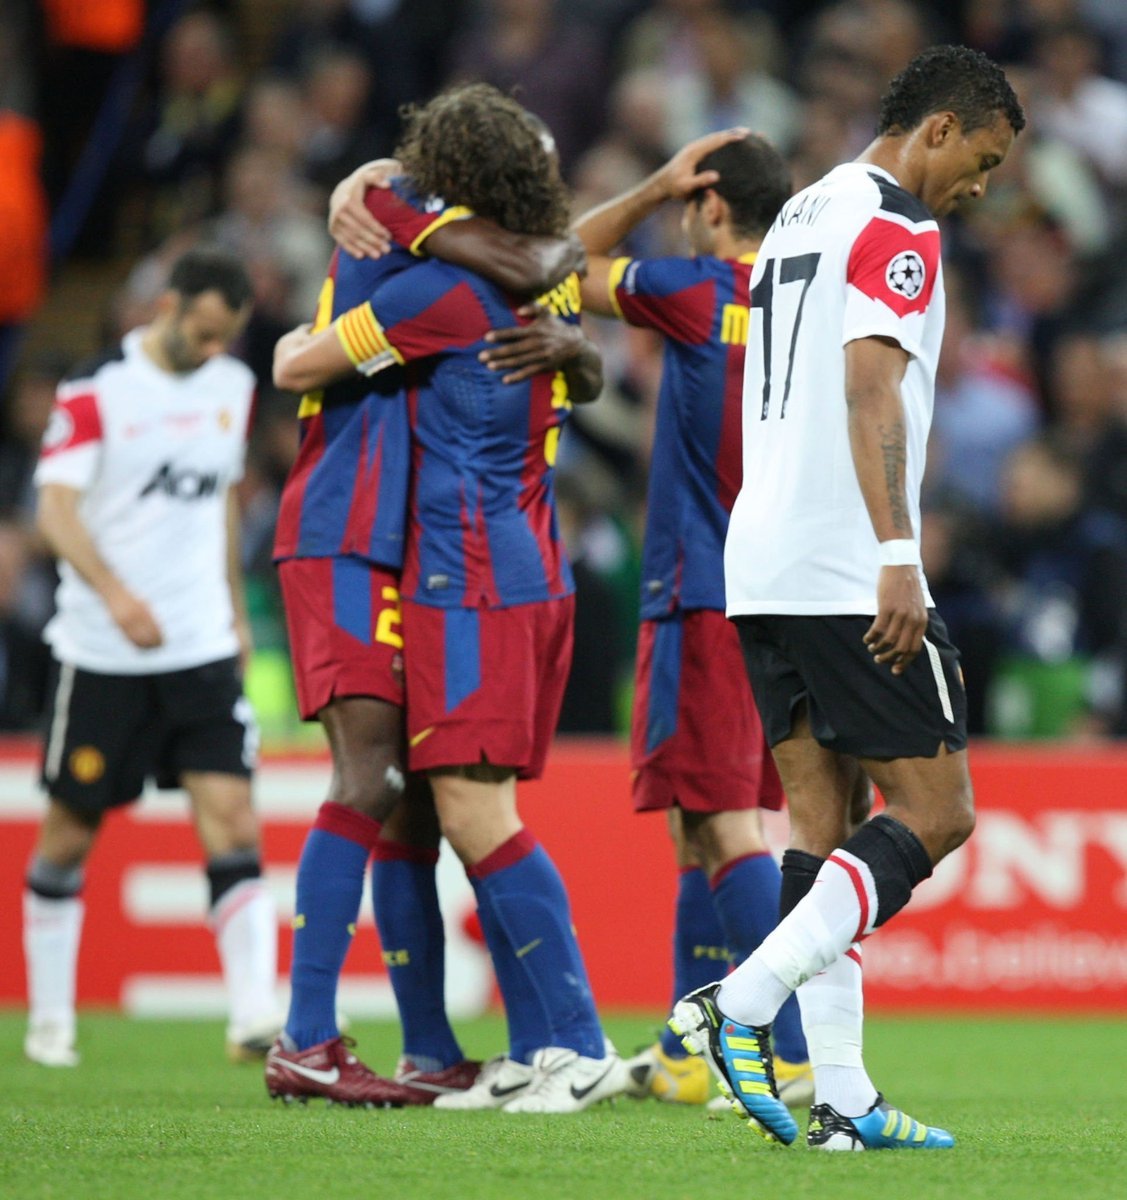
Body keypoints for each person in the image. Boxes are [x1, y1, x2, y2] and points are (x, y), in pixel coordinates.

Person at [668, 45, 1024, 1150]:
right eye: (981, 159)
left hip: (759, 557)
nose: (979, 186)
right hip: (842, 560)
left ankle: (842, 1098)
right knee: (937, 811)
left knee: (821, 830)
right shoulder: (895, 225)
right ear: (938, 128)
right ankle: (737, 1004)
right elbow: (870, 385)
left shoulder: (800, 211)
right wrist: (898, 552)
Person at [271, 85, 625, 1114]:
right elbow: (564, 288)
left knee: (442, 801)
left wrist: (311, 315)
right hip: (457, 555)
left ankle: (559, 1045)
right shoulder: (526, 285)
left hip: (459, 569)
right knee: (405, 794)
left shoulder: (434, 283)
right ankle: (460, 1047)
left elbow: (298, 360)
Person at [564, 129, 815, 1108]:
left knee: (721, 823)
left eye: (686, 202)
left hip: (697, 586)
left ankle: (788, 1049)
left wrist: (648, 187)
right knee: (697, 824)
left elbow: (554, 267)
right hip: (773, 596)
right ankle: (682, 1048)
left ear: (709, 205)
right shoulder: (804, 304)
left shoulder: (699, 289)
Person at [23, 247, 279, 1067]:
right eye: (202, 333)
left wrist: (233, 609)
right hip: (103, 651)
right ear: (168, 306)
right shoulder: (97, 387)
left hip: (199, 646)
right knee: (69, 833)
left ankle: (254, 1017)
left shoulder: (231, 387)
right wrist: (116, 596)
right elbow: (55, 512)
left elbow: (220, 505)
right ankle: (51, 1020)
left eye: (225, 338)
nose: (213, 351)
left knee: (231, 816)